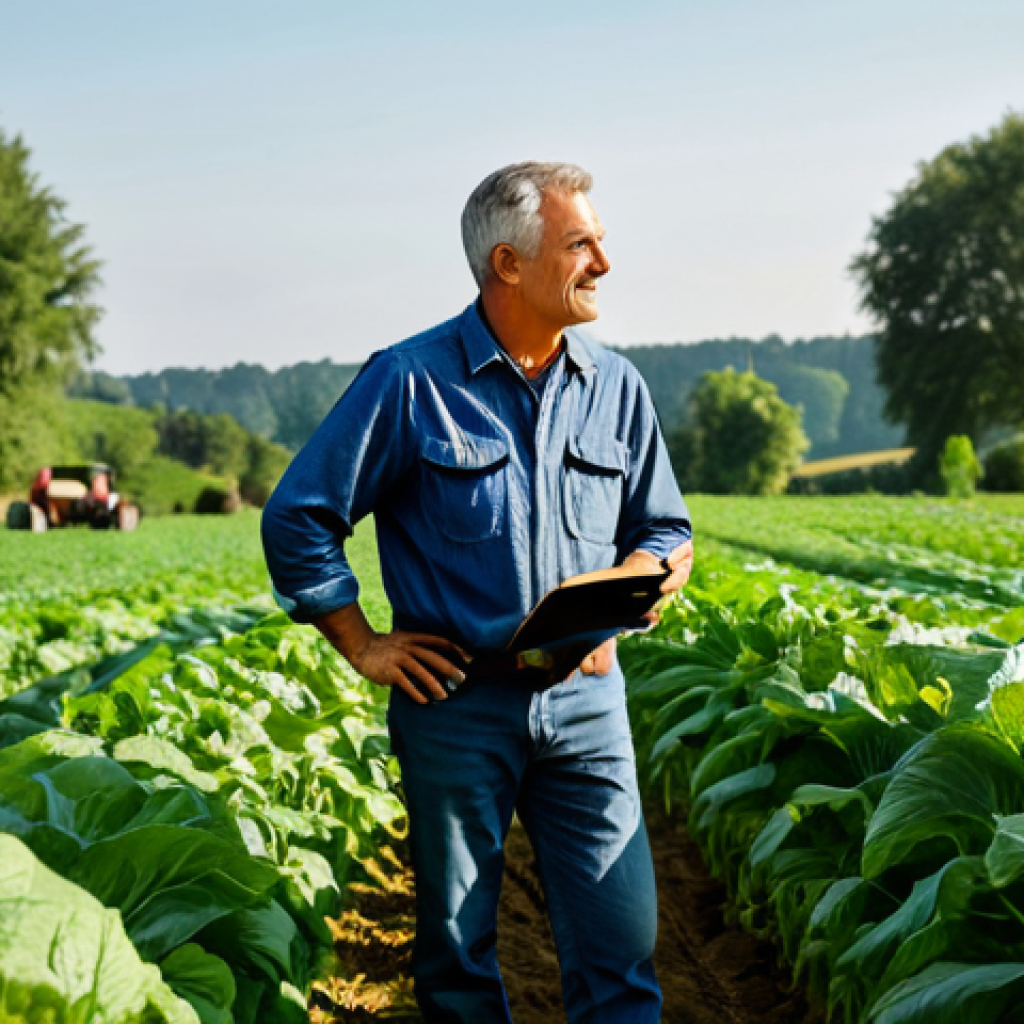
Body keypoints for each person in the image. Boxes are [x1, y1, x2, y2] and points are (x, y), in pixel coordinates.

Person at [261, 161, 693, 1023]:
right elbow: (298, 517)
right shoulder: (409, 381)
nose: (604, 262)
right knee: (457, 962)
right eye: (581, 245)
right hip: (457, 704)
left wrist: (645, 583)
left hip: (587, 701)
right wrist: (363, 643)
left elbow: (666, 529)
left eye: (601, 242)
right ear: (508, 264)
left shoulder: (617, 387)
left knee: (623, 949)